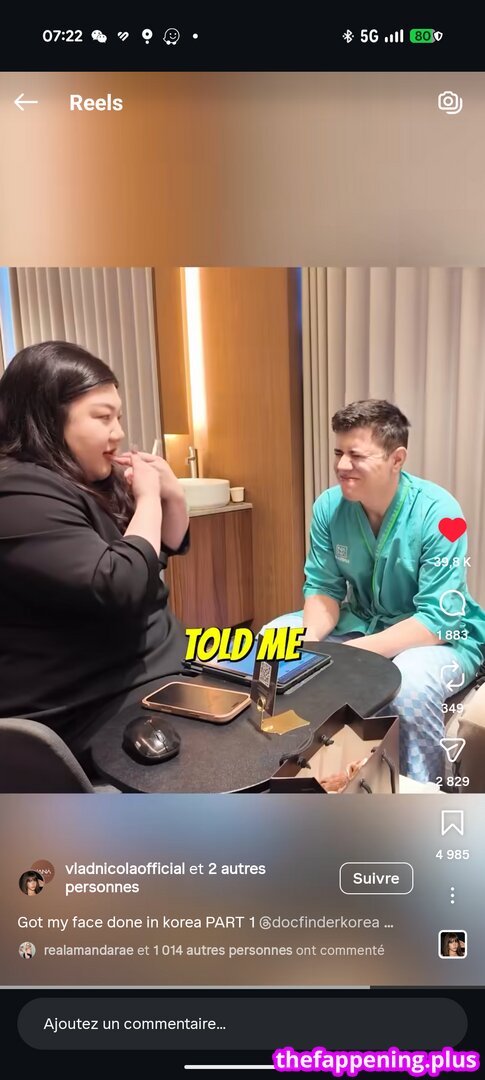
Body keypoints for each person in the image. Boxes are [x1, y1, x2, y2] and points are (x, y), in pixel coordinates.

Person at [262, 400, 485, 783]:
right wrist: (308, 641)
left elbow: (436, 619)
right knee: (274, 640)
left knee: (407, 685)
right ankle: (291, 771)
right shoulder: (329, 507)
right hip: (362, 621)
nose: (342, 465)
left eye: (356, 455)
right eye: (338, 453)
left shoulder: (439, 512)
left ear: (397, 459)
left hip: (440, 637)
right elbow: (323, 589)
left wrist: (345, 656)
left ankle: (417, 796)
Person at [0, 341, 190, 767]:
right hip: (91, 705)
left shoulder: (85, 478)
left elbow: (158, 554)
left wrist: (172, 495)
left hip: (156, 673)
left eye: (118, 417)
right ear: (48, 418)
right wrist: (148, 501)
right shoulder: (16, 492)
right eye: (103, 417)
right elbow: (119, 582)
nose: (118, 432)